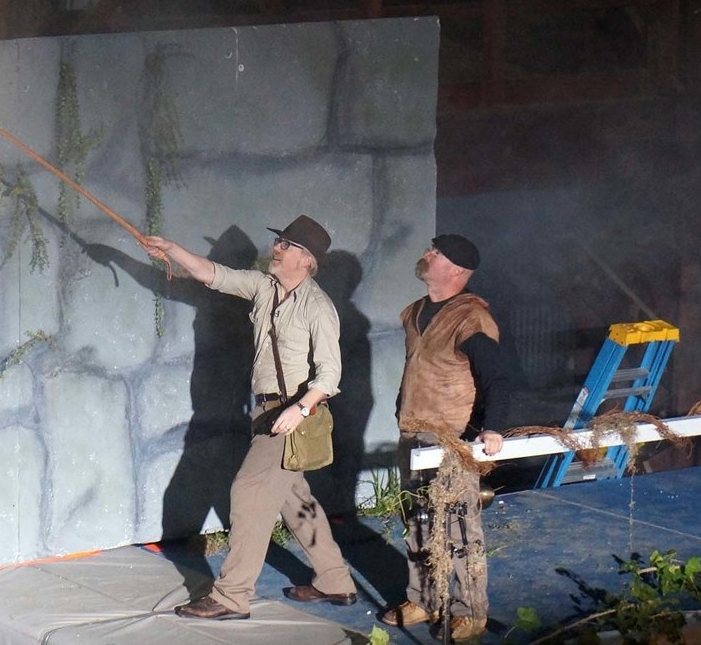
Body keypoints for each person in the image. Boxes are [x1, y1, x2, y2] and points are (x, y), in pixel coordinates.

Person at [141, 215, 357, 621]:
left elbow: (330, 376)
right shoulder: (263, 287)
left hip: (292, 417)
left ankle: (232, 596)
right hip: (266, 411)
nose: (276, 248)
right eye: (279, 242)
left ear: (307, 260)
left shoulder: (318, 308)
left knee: (248, 493)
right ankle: (335, 580)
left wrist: (299, 409)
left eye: (286, 245)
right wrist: (171, 249)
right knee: (295, 499)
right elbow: (213, 274)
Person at [380, 234, 508, 642]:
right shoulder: (415, 312)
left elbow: (498, 378)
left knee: (458, 526)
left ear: (454, 269)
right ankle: (425, 599)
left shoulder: (470, 318)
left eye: (433, 253)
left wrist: (492, 427)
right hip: (413, 431)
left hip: (451, 438)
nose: (425, 255)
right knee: (418, 521)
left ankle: (470, 611)